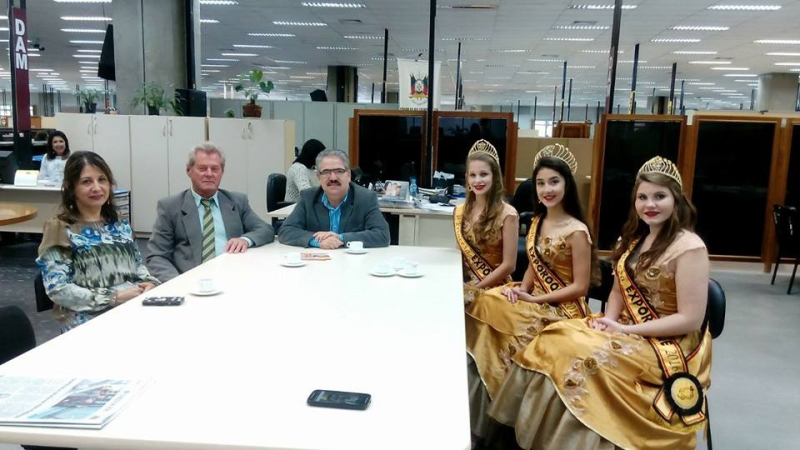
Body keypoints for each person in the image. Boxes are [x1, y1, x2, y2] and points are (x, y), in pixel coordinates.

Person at [490, 156, 711, 450]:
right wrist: (610, 320)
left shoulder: (690, 247)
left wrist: (625, 330)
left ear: (677, 200)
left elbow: (690, 320)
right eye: (643, 197)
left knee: (581, 356)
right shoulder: (634, 240)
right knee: (553, 338)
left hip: (668, 343)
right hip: (626, 327)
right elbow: (618, 292)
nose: (650, 204)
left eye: (660, 196)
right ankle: (531, 437)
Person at [464, 144, 597, 441]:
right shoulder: (538, 221)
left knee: (496, 315)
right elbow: (534, 266)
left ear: (567, 184)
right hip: (534, 297)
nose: (547, 189)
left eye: (554, 182)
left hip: (564, 308)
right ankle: (487, 391)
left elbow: (580, 287)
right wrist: (521, 290)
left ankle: (504, 402)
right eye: (540, 183)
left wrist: (535, 298)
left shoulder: (577, 230)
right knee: (485, 303)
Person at [35, 151, 158, 333]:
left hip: (130, 307)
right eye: (86, 182)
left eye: (102, 180)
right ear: (71, 187)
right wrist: (113, 297)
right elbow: (58, 289)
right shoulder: (59, 228)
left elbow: (137, 265)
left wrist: (149, 282)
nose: (97, 187)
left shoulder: (120, 224)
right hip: (86, 318)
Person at [146, 142, 274, 282]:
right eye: (202, 169)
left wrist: (245, 240)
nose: (209, 174)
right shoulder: (170, 206)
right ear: (188, 170)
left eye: (215, 169)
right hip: (191, 281)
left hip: (233, 276)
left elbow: (265, 229)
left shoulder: (237, 201)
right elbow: (157, 256)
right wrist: (177, 283)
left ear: (222, 172)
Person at [278, 149, 390, 249]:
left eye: (339, 171)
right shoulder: (308, 198)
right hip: (317, 262)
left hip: (353, 262)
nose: (333, 178)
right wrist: (317, 241)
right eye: (326, 172)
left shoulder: (365, 198)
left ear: (349, 175)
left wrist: (340, 238)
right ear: (318, 177)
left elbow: (382, 235)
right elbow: (285, 231)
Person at [453, 139, 518, 305]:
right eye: (472, 175)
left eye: (483, 174)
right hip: (464, 283)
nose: (477, 180)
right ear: (467, 178)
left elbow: (509, 265)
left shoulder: (508, 214)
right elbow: (459, 254)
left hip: (495, 287)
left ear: (495, 177)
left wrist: (475, 289)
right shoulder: (460, 211)